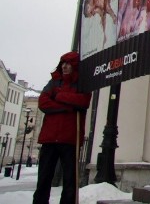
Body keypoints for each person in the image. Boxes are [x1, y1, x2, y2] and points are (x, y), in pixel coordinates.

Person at [33, 52, 91, 204]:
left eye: (68, 63)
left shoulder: (81, 84)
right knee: (44, 178)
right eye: (63, 63)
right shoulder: (54, 82)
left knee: (70, 180)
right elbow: (43, 103)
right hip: (50, 137)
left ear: (75, 66)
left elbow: (84, 101)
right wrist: (68, 107)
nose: (64, 66)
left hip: (70, 139)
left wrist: (58, 96)